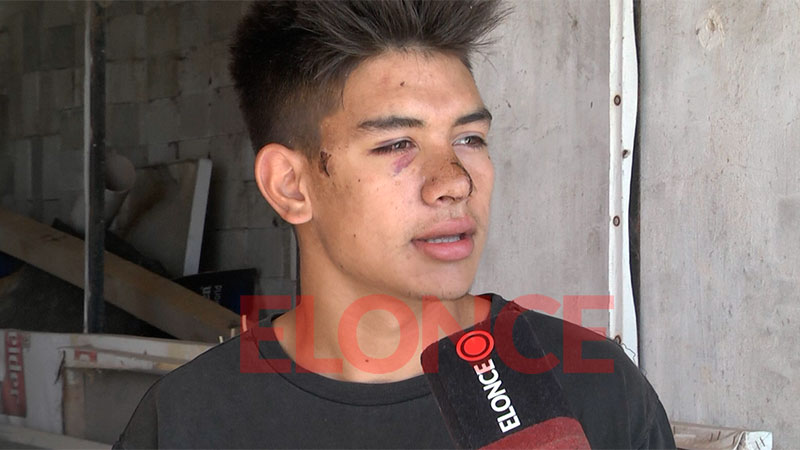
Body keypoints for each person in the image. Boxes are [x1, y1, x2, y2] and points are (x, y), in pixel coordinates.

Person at [115, 1, 676, 448]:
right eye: (396, 144)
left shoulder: (598, 394)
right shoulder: (189, 421)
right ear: (290, 185)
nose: (455, 181)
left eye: (469, 138)